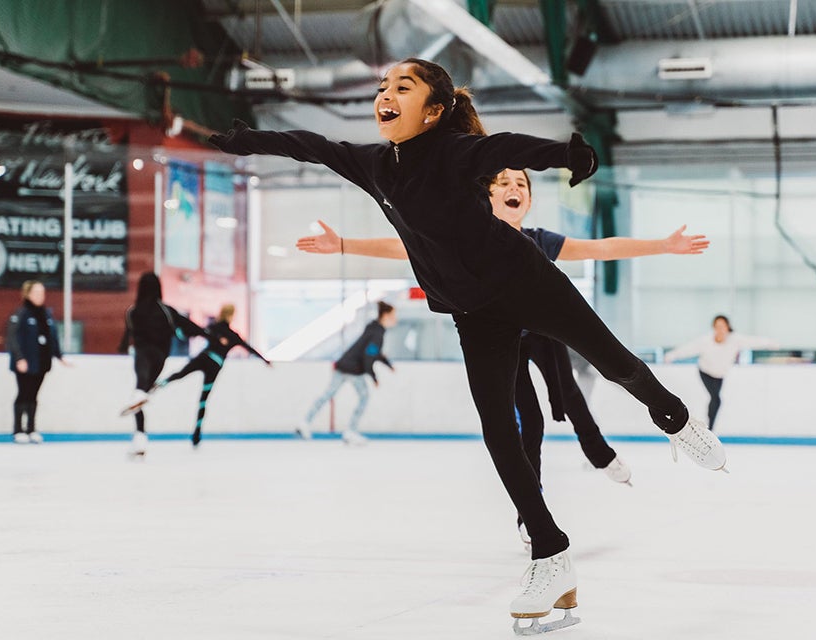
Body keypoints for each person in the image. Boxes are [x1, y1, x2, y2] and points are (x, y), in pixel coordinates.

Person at [209, 57, 726, 630]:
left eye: (402, 86)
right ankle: (550, 553)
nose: (385, 94)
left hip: (527, 283)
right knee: (499, 431)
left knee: (614, 363)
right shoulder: (374, 164)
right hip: (474, 314)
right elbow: (313, 146)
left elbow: (504, 147)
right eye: (383, 86)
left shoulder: (453, 152)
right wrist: (249, 141)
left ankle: (675, 418)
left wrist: (566, 155)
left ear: (434, 111)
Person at [296, 168, 710, 546]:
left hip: (543, 332)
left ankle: (599, 453)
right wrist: (343, 244)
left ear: (528, 200)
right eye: (504, 183)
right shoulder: (462, 242)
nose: (515, 188)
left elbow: (598, 248)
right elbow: (403, 245)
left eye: (522, 184)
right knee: (530, 423)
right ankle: (530, 514)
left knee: (567, 392)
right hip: (503, 339)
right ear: (486, 196)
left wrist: (663, 245)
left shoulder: (539, 240)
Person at [144, 303, 272, 447]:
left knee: (180, 374)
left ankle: (160, 383)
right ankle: (197, 433)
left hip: (204, 358)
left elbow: (195, 331)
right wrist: (265, 360)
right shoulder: (233, 336)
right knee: (203, 400)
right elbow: (249, 348)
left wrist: (179, 330)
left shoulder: (213, 328)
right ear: (231, 316)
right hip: (214, 365)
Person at [118, 272, 209, 456]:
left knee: (140, 388)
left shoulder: (133, 312)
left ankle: (140, 436)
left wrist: (122, 348)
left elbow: (126, 339)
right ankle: (139, 435)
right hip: (159, 359)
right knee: (141, 393)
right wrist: (208, 334)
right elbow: (188, 326)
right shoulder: (166, 311)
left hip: (142, 357)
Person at [296, 301, 396, 445]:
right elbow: (369, 356)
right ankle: (351, 431)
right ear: (386, 316)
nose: (395, 319)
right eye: (393, 315)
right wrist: (374, 377)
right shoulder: (377, 333)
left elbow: (372, 352)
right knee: (364, 397)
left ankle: (305, 422)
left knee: (328, 394)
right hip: (353, 369)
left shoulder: (373, 328)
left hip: (343, 364)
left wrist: (387, 364)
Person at [665, 314, 777, 430]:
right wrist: (672, 355)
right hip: (705, 372)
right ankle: (710, 428)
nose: (720, 330)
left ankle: (710, 427)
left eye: (722, 326)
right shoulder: (706, 341)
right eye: (717, 327)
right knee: (716, 399)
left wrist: (769, 343)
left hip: (719, 376)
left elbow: (752, 341)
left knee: (715, 400)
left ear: (728, 327)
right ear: (714, 328)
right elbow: (689, 349)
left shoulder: (735, 339)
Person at [5, 281, 69, 443]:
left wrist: (59, 355)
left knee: (33, 395)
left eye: (42, 293)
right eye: (37, 292)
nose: (41, 296)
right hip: (25, 362)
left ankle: (31, 428)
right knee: (24, 393)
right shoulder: (21, 313)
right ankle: (18, 429)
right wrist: (19, 358)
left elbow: (52, 336)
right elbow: (12, 337)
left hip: (42, 362)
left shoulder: (46, 314)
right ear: (28, 294)